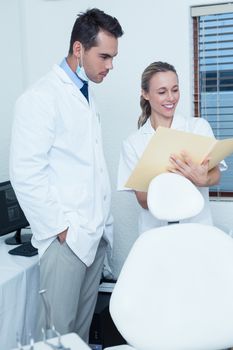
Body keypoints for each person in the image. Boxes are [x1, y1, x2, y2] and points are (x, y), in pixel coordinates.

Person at [10, 8, 123, 342]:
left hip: (92, 238)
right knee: (57, 339)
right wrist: (62, 230)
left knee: (81, 337)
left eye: (113, 57)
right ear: (78, 49)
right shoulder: (41, 98)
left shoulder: (85, 97)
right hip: (68, 242)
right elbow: (26, 173)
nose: (110, 66)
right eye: (104, 56)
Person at [118, 61, 226, 234]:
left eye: (175, 90)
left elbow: (216, 174)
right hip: (155, 234)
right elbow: (144, 201)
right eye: (162, 92)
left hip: (197, 230)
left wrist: (203, 180)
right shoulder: (133, 143)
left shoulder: (198, 127)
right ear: (145, 93)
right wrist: (187, 177)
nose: (171, 98)